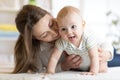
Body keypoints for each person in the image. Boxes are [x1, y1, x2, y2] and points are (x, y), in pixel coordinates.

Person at [13, 5, 113, 73]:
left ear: (50, 14)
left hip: (99, 57)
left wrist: (107, 54)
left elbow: (104, 42)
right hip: (83, 68)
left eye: (51, 23)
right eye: (44, 35)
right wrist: (63, 66)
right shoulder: (39, 53)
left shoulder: (71, 23)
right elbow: (40, 71)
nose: (55, 32)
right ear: (35, 39)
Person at [47, 6, 114, 75]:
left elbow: (94, 56)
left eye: (73, 27)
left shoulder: (87, 38)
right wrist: (50, 71)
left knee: (101, 69)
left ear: (83, 25)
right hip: (82, 64)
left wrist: (93, 71)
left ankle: (99, 67)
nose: (69, 32)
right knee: (77, 69)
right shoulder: (62, 41)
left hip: (96, 60)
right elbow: (54, 58)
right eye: (63, 29)